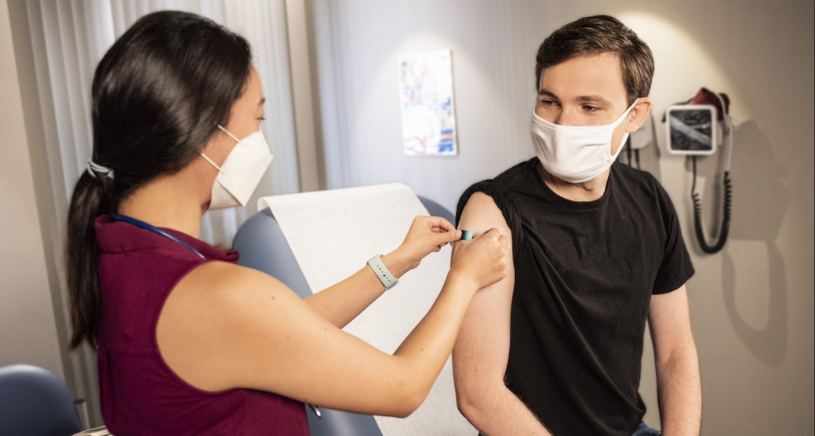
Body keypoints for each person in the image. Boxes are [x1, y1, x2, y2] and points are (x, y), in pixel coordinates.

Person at [66, 11, 509, 436]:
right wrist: (463, 279)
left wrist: (396, 262)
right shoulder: (212, 294)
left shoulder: (125, 255)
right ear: (201, 131)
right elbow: (404, 387)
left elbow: (276, 329)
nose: (260, 139)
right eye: (257, 119)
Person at [452, 15, 701, 436]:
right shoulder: (492, 212)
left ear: (635, 115)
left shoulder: (650, 200)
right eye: (550, 101)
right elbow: (478, 393)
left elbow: (676, 350)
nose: (563, 124)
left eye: (589, 106)